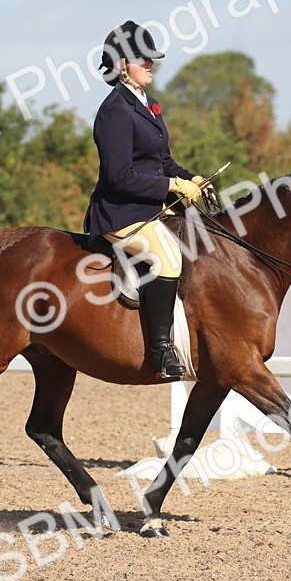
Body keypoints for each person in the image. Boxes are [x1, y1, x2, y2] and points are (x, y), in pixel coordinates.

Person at [84, 20, 207, 379]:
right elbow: (118, 176)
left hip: (150, 208)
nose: (151, 64)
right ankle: (160, 351)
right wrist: (170, 186)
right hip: (120, 213)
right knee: (168, 258)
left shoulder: (148, 104)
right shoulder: (114, 111)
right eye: (144, 59)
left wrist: (190, 178)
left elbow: (161, 161)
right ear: (123, 64)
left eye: (152, 59)